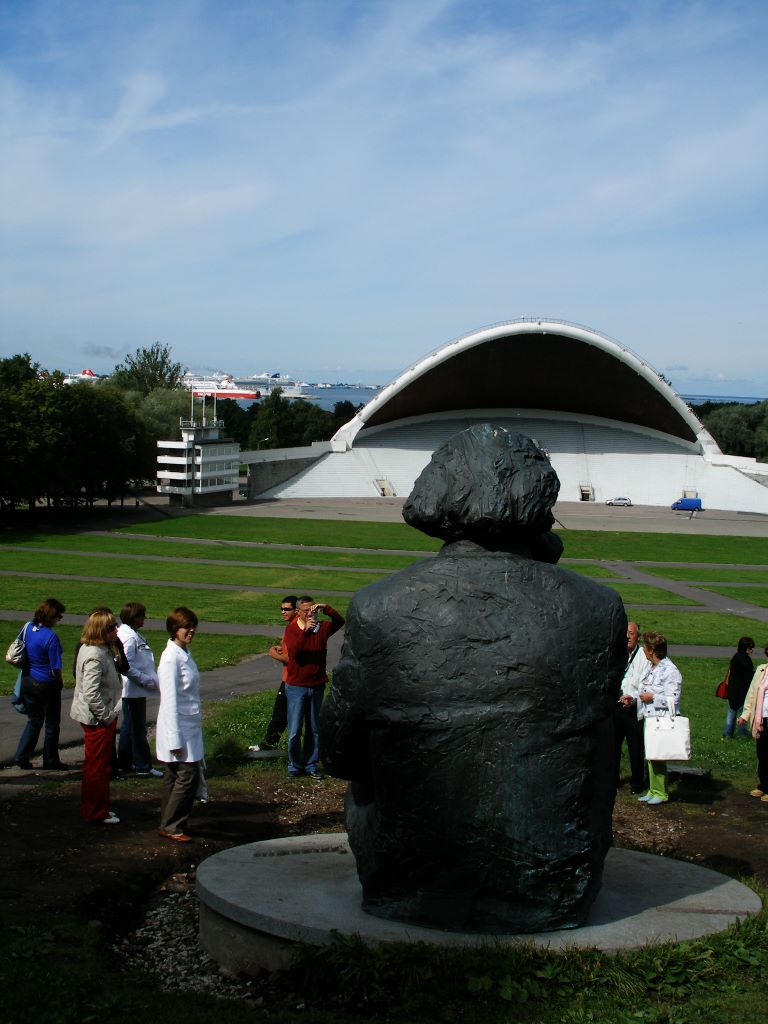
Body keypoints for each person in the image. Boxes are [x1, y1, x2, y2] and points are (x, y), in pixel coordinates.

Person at [283, 595, 344, 780]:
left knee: (314, 728)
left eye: (313, 610)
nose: (311, 613)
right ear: (298, 612)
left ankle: (310, 764)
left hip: (316, 685)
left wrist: (327, 608)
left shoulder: (322, 628)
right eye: (306, 611)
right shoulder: (292, 629)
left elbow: (340, 622)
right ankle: (294, 765)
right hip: (296, 686)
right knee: (295, 730)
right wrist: (306, 632)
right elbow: (294, 653)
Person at [70, 610, 123, 824]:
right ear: (100, 631)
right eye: (111, 628)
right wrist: (106, 716)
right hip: (97, 719)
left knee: (100, 765)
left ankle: (99, 807)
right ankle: (95, 811)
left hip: (101, 716)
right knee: (97, 767)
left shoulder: (99, 649)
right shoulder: (94, 654)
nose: (115, 631)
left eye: (115, 626)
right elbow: (90, 692)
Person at [156, 607, 203, 843]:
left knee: (175, 776)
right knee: (187, 775)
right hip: (179, 727)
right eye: (186, 627)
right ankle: (172, 824)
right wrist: (174, 738)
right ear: (175, 629)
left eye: (193, 626)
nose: (191, 631)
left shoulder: (183, 652)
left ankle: (169, 822)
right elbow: (169, 700)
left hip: (188, 724)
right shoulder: (170, 658)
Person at [13, 598, 68, 770]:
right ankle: (50, 759)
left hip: (28, 680)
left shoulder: (28, 627)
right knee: (52, 724)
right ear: (51, 616)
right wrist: (60, 682)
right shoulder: (51, 637)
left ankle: (22, 755)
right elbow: (55, 668)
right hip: (46, 683)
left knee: (34, 720)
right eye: (58, 616)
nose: (59, 619)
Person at [117, 602, 162, 777]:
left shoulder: (131, 634)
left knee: (129, 727)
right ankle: (142, 766)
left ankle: (125, 762)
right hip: (133, 689)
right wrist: (145, 681)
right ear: (134, 617)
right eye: (142, 615)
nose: (145, 618)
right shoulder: (129, 638)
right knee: (138, 729)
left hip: (134, 690)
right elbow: (126, 666)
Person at [637, 630, 682, 806]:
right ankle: (653, 789)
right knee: (651, 756)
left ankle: (661, 792)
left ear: (651, 650)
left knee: (658, 756)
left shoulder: (670, 671)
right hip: (650, 718)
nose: (643, 649)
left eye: (645, 647)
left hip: (661, 719)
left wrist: (653, 697)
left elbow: (673, 699)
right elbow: (643, 689)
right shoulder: (651, 668)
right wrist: (632, 697)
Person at [614, 621, 649, 794]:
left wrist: (633, 698)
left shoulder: (643, 657)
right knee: (613, 745)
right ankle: (613, 778)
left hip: (633, 707)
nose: (627, 637)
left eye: (631, 633)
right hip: (616, 705)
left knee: (635, 746)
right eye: (625, 633)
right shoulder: (616, 654)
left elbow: (645, 684)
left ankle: (637, 782)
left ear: (638, 637)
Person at [737, 644, 768, 803]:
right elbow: (752, 694)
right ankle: (763, 786)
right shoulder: (762, 670)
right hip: (761, 719)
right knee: (762, 754)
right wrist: (745, 715)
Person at [723, 637, 755, 739]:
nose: (752, 650)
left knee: (731, 712)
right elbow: (748, 677)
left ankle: (727, 733)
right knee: (742, 713)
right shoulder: (746, 660)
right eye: (750, 648)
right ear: (746, 648)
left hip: (732, 690)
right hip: (742, 691)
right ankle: (742, 733)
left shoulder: (735, 657)